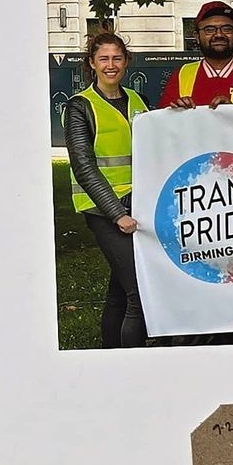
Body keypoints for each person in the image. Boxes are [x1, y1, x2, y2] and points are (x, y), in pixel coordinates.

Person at [64, 32, 150, 348]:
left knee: (119, 290)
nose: (111, 65)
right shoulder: (80, 106)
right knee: (138, 291)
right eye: (104, 58)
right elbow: (85, 168)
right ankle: (133, 364)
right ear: (92, 63)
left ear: (126, 62)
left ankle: (110, 355)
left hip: (138, 202)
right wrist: (116, 214)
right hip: (104, 209)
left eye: (117, 58)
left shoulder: (137, 100)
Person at [157, 1, 233, 109]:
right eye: (209, 30)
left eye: (227, 29)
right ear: (197, 36)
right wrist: (176, 112)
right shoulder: (182, 74)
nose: (219, 34)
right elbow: (161, 124)